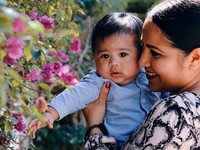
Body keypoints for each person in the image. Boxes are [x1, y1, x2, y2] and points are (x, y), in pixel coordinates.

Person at [27, 12, 160, 149]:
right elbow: (74, 95)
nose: (113, 63)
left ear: (141, 53)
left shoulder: (151, 77)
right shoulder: (98, 82)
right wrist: (51, 113)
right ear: (95, 57)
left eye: (123, 54)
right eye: (105, 56)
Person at [83, 0, 200, 149]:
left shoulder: (177, 110)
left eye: (155, 53)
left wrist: (94, 128)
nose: (141, 61)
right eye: (142, 48)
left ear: (195, 58)